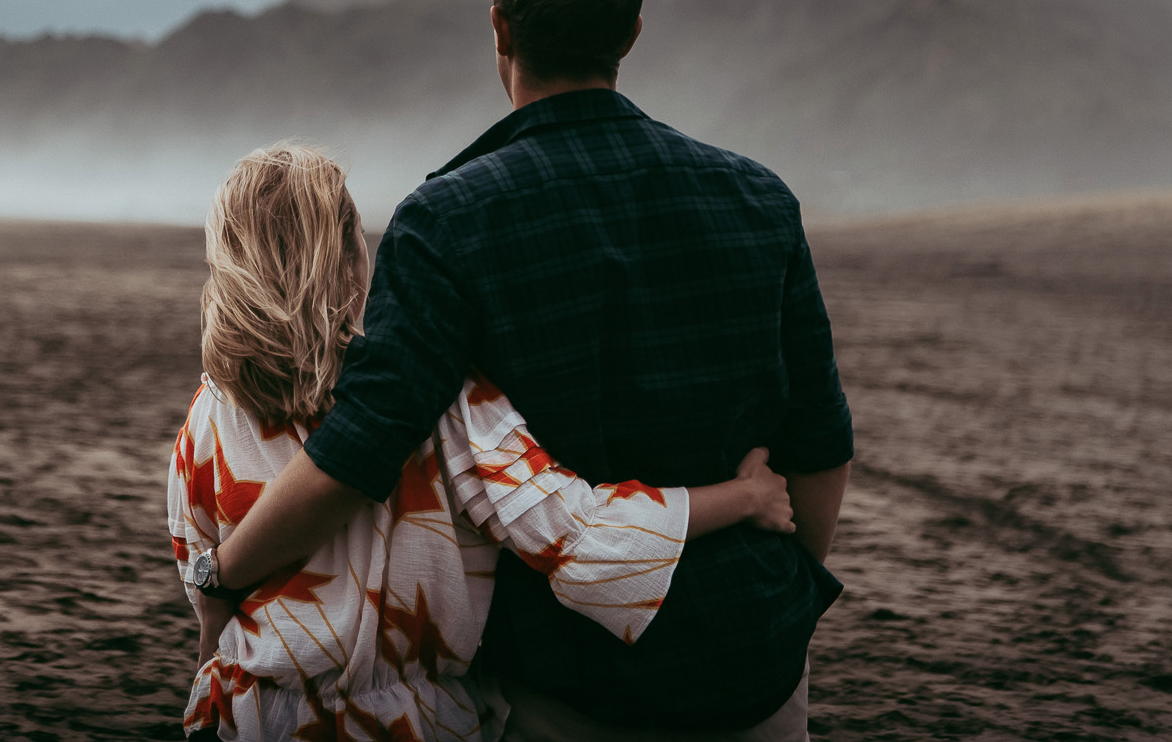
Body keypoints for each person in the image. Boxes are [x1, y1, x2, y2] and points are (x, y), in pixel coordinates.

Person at [196, 0, 855, 741]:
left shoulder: (449, 220)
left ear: (501, 28)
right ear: (633, 30)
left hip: (569, 685)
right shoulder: (760, 200)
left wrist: (222, 578)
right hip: (758, 668)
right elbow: (821, 446)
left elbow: (357, 456)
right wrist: (783, 593)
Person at [169, 144, 796, 741]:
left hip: (244, 714)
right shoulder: (442, 400)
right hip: (410, 722)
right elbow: (579, 536)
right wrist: (743, 498)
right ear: (349, 261)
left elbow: (200, 570)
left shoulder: (206, 418)